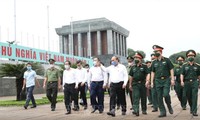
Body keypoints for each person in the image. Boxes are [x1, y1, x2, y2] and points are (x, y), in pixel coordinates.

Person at [150, 45, 175, 117]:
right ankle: (162, 112)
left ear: (160, 52)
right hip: (157, 81)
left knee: (166, 94)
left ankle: (169, 106)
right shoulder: (154, 62)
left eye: (156, 51)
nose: (155, 53)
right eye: (154, 52)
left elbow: (171, 69)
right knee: (159, 97)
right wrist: (151, 82)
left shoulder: (167, 60)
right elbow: (152, 72)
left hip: (166, 79)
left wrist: (172, 79)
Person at [180, 50, 200, 116]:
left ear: (194, 56)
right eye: (189, 55)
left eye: (192, 55)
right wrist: (182, 81)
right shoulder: (184, 65)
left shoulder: (197, 66)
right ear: (187, 57)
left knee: (194, 96)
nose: (190, 56)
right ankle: (191, 107)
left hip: (194, 82)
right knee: (188, 96)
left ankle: (194, 111)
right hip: (186, 82)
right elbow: (182, 74)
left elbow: (199, 75)